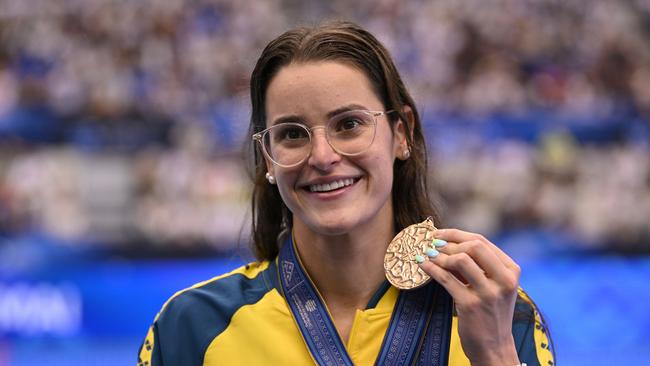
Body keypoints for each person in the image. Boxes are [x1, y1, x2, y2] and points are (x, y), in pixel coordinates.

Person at [137, 21, 554, 366]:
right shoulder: (194, 325)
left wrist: (496, 353)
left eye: (349, 124)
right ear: (267, 157)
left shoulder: (495, 309)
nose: (322, 156)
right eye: (292, 134)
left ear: (401, 134)